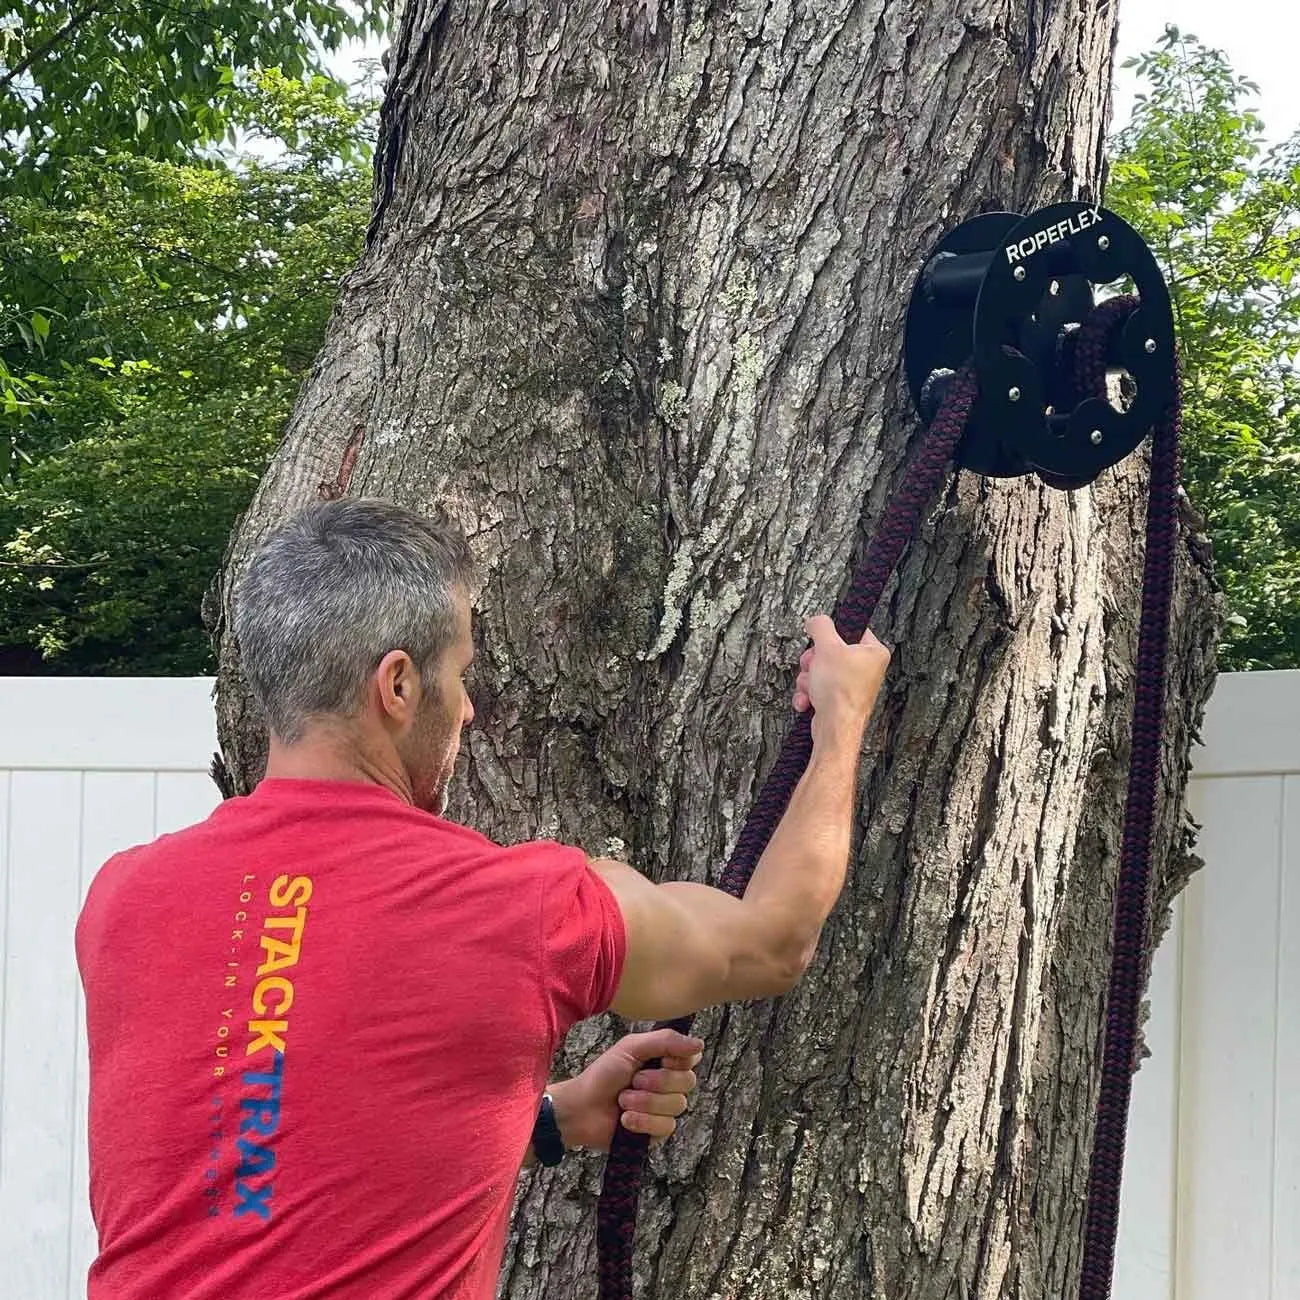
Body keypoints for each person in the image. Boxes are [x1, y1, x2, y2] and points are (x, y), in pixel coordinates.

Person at [75, 497, 890, 1299]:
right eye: (460, 673)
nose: (467, 707)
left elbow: (265, 1142)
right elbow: (773, 940)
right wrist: (843, 719)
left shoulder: (124, 900)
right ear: (398, 685)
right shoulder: (520, 909)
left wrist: (548, 1121)